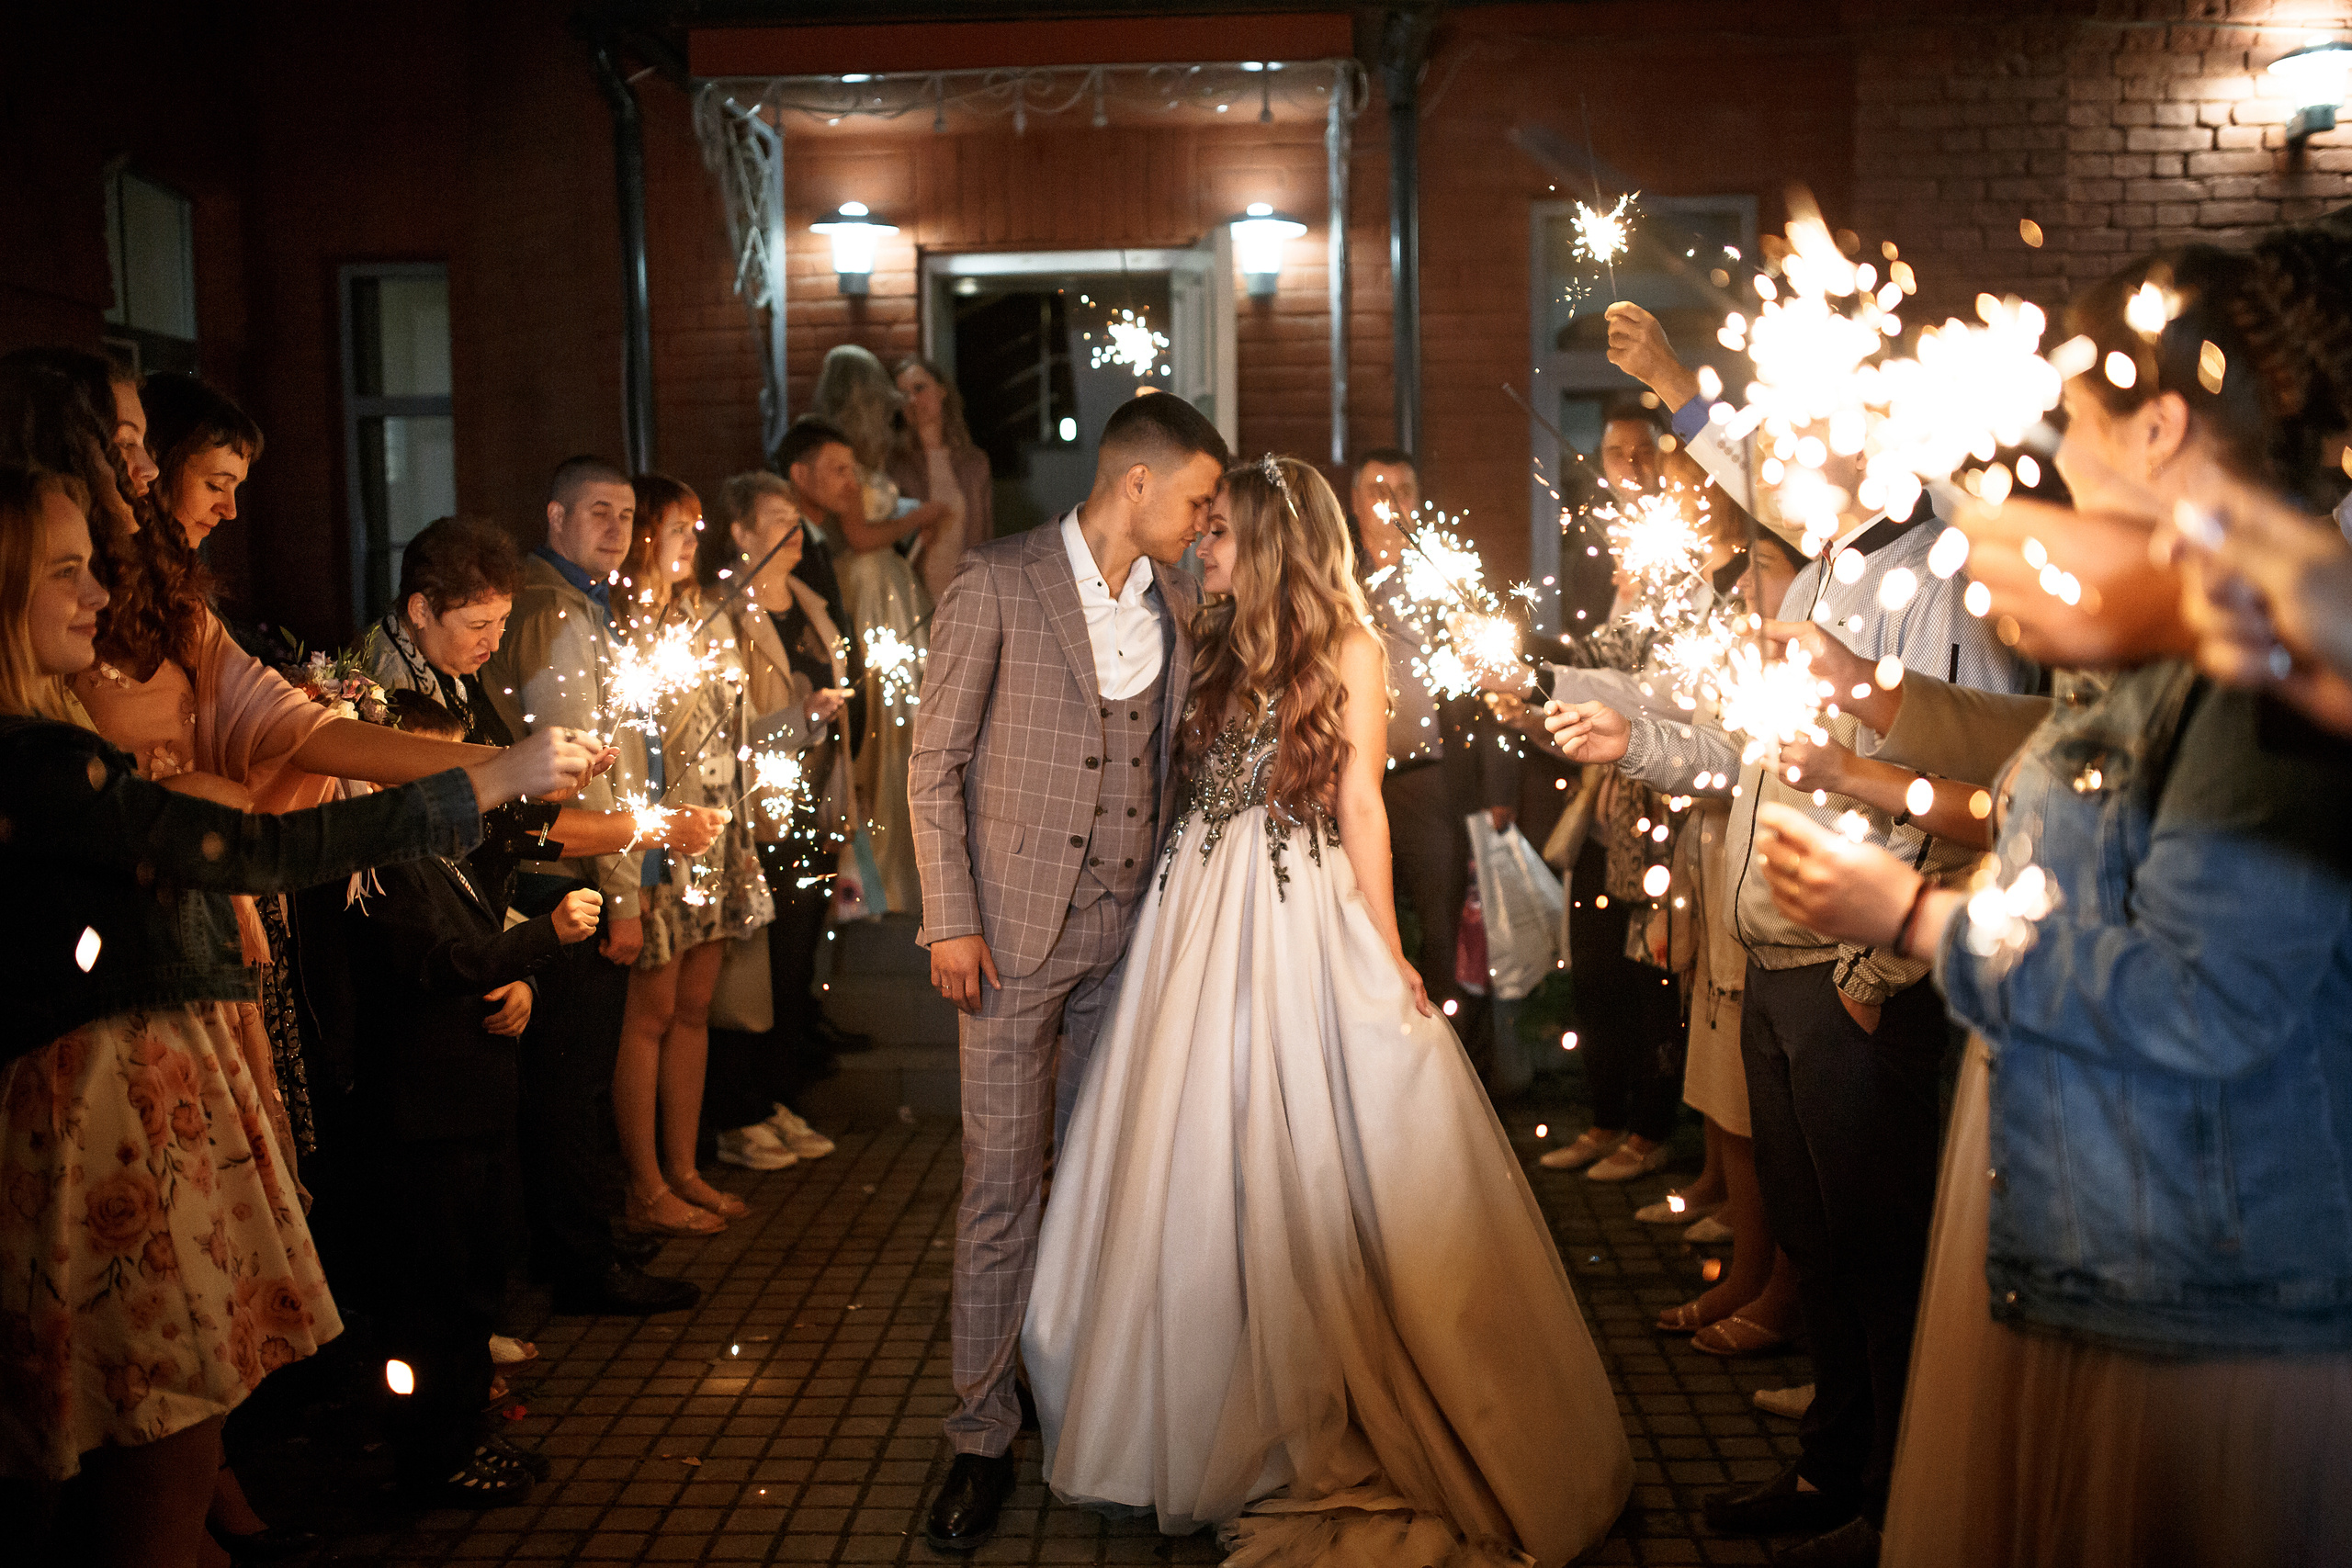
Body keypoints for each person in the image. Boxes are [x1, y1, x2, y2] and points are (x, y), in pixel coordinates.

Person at [1755, 229, 2352, 1568]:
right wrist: (1871, 704)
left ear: (2159, 425)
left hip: (2198, 1269)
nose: (2058, 455)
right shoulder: (2188, 630)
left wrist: (1915, 922)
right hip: (2092, 1212)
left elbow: (2213, 999)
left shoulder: (2275, 656)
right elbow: (2046, 783)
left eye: (2075, 417)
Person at [1023, 455, 1633, 1567]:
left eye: (1219, 534)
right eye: (1202, 533)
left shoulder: (1352, 644)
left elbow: (1361, 803)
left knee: (1312, 1129)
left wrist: (1390, 950)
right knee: (1193, 1134)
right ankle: (1197, 1394)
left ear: (1264, 540)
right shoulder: (1204, 635)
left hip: (1296, 901)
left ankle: (1310, 1388)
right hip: (1190, 907)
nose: (1203, 547)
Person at [0, 462, 593, 1565]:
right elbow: (268, 848)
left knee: (158, 1410)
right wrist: (481, 783)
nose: (96, 594)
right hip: (99, 1105)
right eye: (67, 571)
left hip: (149, 1075)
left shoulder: (63, 748)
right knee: (140, 1412)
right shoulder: (41, 766)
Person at [1545, 416, 2037, 1561]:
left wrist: (1882, 967)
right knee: (1816, 1235)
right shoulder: (1816, 570)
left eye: (1801, 435)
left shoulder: (1944, 581)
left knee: (1883, 1247)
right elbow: (1743, 752)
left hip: (1858, 971)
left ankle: (1900, 1497)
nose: (1772, 459)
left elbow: (1986, 786)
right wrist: (1636, 740)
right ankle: (1835, 1464)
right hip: (1772, 954)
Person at [908, 391, 1227, 1552]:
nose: (1202, 523)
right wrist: (950, 920)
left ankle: (1078, 1397)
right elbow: (931, 767)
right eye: (1194, 499)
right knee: (1003, 1189)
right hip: (1006, 938)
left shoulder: (1185, 599)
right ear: (1135, 482)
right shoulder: (995, 582)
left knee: (1100, 1185)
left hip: (1128, 938)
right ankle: (979, 1434)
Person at [343, 689, 602, 1506]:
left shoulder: (439, 845)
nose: (465, 784)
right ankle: (433, 1456)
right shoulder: (383, 861)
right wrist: (543, 938)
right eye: (442, 765)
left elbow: (489, 888)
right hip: (424, 1113)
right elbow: (439, 962)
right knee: (434, 1296)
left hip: (473, 1103)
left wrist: (521, 967)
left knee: (475, 1281)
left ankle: (463, 1436)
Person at [480, 456, 699, 1315]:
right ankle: (580, 1260)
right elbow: (576, 762)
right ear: (555, 517)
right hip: (562, 868)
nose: (615, 528)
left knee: (569, 1074)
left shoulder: (581, 605)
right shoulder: (555, 616)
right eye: (597, 512)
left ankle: (584, 1231)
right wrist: (624, 888)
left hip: (576, 857)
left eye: (625, 514)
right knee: (569, 1077)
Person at [608, 472, 774, 1237]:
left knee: (697, 1007)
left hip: (717, 832)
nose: (689, 543)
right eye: (678, 528)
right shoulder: (623, 622)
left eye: (694, 529)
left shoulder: (707, 612)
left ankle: (684, 1166)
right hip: (661, 836)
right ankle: (644, 1180)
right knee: (653, 1011)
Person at [1347, 447, 1521, 1070]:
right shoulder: (1339, 577)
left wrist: (1500, 786)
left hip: (1433, 781)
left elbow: (1497, 687)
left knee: (1448, 937)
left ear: (1419, 500)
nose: (1390, 499)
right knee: (1362, 928)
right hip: (1354, 780)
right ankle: (1380, 1067)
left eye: (1403, 487)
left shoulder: (1449, 582)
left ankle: (1460, 1072)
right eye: (1376, 488)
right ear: (1355, 501)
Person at [702, 471, 850, 1171]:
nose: (794, 531)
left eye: (798, 519)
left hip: (815, 802)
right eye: (777, 518)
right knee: (751, 966)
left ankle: (777, 1093)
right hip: (756, 810)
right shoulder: (721, 613)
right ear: (740, 531)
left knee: (797, 961)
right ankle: (738, 1110)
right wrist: (800, 718)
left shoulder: (814, 603)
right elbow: (718, 728)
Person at [808, 347, 955, 916]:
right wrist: (917, 518)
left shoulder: (868, 462)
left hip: (889, 587)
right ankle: (875, 873)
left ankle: (902, 867)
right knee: (881, 726)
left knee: (906, 723)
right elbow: (863, 536)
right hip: (868, 589)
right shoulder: (844, 463)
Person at [888, 355, 993, 602]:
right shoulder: (895, 465)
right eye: (903, 395)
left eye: (919, 388)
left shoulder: (974, 463)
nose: (913, 400)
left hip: (964, 595)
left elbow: (987, 539)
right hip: (914, 597)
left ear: (942, 390)